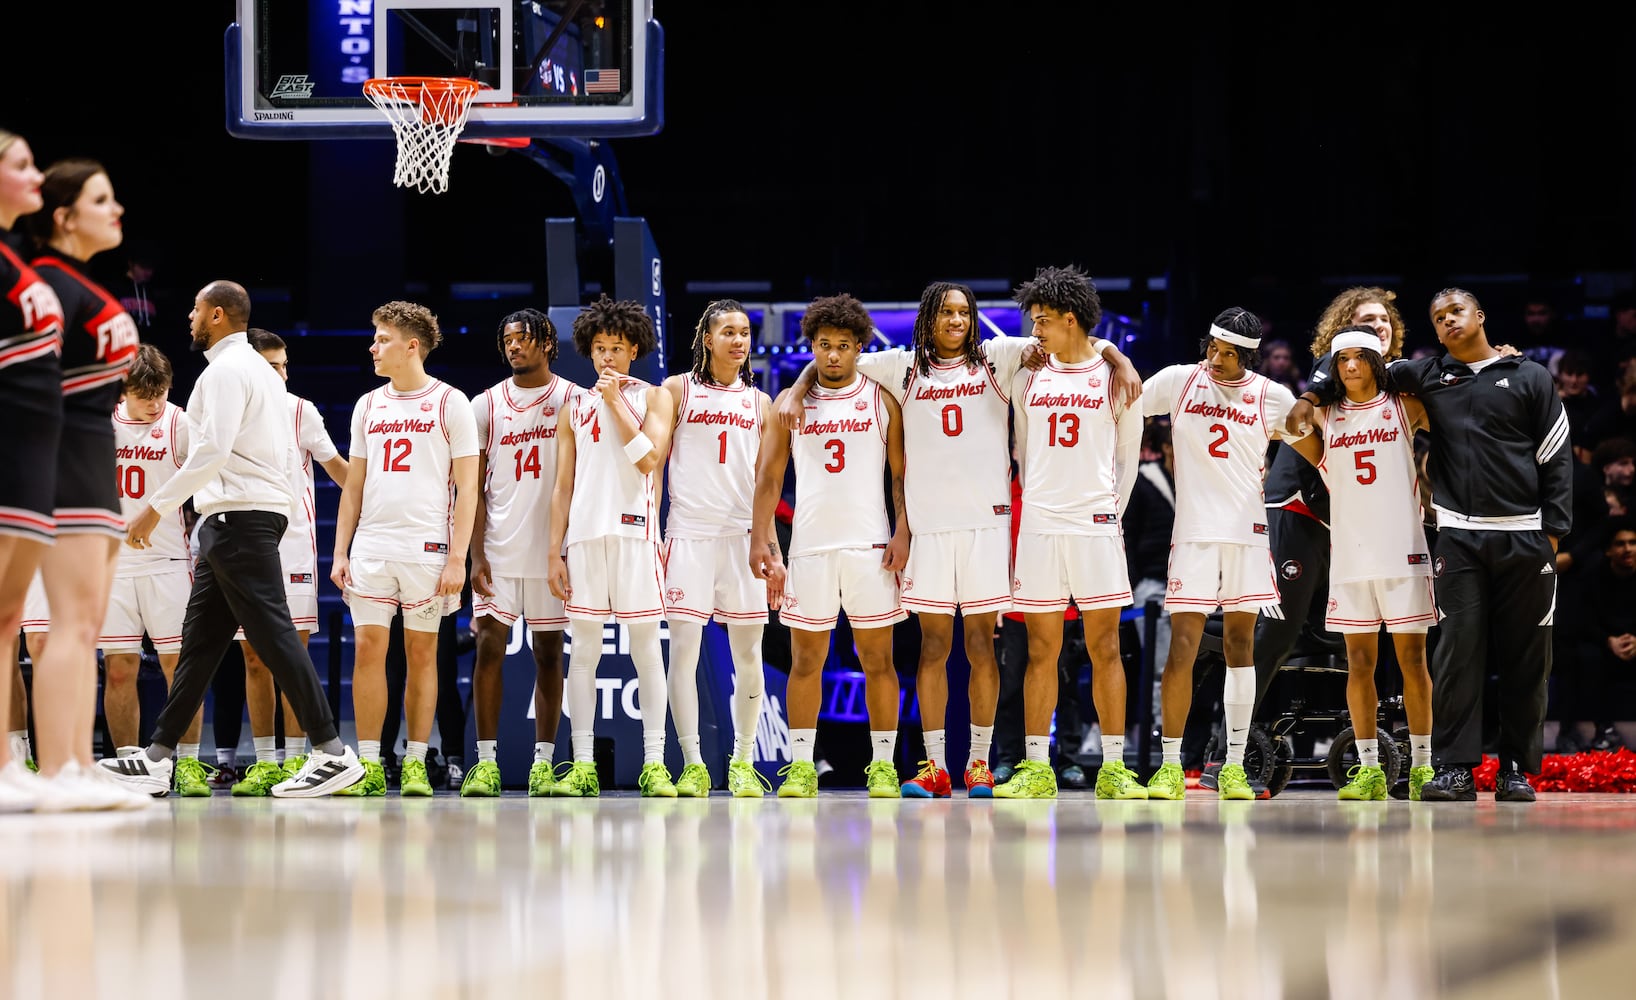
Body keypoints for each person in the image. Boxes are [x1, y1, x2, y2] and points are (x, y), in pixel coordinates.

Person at [775, 277, 1141, 798]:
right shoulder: (901, 366)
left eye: (964, 313)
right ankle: (934, 765)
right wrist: (796, 388)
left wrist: (1118, 358)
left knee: (981, 647)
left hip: (987, 527)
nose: (956, 321)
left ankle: (979, 763)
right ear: (928, 317)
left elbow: (1072, 337)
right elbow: (835, 358)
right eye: (946, 312)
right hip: (929, 529)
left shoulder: (998, 357)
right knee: (933, 647)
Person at [1290, 288, 1571, 802]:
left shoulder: (1529, 375)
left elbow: (1556, 451)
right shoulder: (1425, 376)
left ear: (1480, 315)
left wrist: (1553, 531)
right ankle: (1454, 769)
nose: (1448, 321)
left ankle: (1514, 769)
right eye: (1439, 318)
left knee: (1526, 660)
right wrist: (1310, 396)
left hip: (1524, 533)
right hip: (1457, 534)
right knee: (1456, 656)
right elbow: (1351, 367)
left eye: (1456, 312)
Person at [96, 280, 365, 797]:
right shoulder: (259, 372)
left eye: (196, 309)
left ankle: (333, 752)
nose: (189, 317)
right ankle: (157, 757)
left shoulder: (225, 371)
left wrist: (155, 508)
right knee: (199, 648)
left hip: (240, 518)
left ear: (217, 314)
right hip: (239, 519)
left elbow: (212, 451)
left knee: (276, 637)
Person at [1228, 287, 1407, 791]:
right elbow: (1313, 405)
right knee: (1280, 630)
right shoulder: (1335, 367)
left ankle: (1388, 746)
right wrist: (1307, 401)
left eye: (1383, 320)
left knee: (1360, 635)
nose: (1377, 327)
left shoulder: (1394, 382)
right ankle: (1226, 749)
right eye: (1365, 320)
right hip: (1298, 505)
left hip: (1345, 522)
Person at [22, 158, 156, 807]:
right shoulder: (46, 284)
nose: (116, 210)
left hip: (93, 462)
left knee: (87, 626)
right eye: (101, 200)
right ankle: (58, 770)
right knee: (67, 625)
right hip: (62, 464)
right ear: (64, 217)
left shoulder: (78, 283)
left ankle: (79, 761)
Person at [1140, 308, 1305, 801]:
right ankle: (1171, 766)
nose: (1216, 358)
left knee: (1239, 647)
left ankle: (1232, 765)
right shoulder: (1178, 380)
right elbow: (1123, 404)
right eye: (1213, 348)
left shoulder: (1272, 396)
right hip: (1193, 534)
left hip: (1246, 534)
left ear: (1248, 356)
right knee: (1183, 649)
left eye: (1229, 353)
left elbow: (1316, 446)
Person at [750, 293, 909, 799]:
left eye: (843, 345)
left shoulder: (882, 400)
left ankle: (882, 766)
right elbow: (768, 478)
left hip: (870, 546)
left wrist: (903, 530)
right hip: (811, 547)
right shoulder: (789, 405)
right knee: (805, 661)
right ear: (812, 346)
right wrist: (761, 539)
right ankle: (801, 766)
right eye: (824, 345)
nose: (834, 354)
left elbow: (901, 475)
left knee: (877, 660)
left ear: (860, 346)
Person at [1000, 266, 1144, 800]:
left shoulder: (1116, 377)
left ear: (1069, 319)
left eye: (1042, 321)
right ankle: (1037, 768)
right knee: (1041, 651)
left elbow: (1127, 458)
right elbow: (1022, 449)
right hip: (1040, 524)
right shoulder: (1027, 376)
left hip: (1094, 524)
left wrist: (1108, 513)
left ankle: (1114, 769)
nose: (1035, 331)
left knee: (1106, 647)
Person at [329, 301, 477, 797]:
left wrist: (457, 558)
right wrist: (340, 551)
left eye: (382, 339)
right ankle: (370, 763)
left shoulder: (451, 402)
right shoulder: (367, 405)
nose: (373, 347)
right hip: (373, 545)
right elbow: (353, 486)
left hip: (428, 548)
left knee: (422, 654)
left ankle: (415, 760)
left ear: (411, 346)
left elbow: (468, 489)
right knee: (368, 652)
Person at [1285, 327, 1436, 800]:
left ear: (1376, 361)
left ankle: (1423, 767)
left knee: (1413, 661)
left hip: (1403, 552)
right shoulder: (1323, 416)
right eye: (1342, 358)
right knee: (1359, 664)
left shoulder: (1406, 406)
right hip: (1351, 556)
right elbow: (1290, 430)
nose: (1350, 366)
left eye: (1359, 357)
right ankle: (1369, 768)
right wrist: (1305, 400)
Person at [547, 295, 678, 797]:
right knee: (583, 653)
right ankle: (582, 765)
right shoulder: (572, 406)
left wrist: (614, 401)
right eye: (600, 348)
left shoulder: (654, 397)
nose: (607, 357)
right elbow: (563, 486)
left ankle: (654, 764)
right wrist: (554, 551)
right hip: (584, 537)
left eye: (617, 348)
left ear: (634, 350)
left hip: (635, 535)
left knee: (646, 650)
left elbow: (648, 459)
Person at [660, 300, 776, 798]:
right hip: (689, 535)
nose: (738, 340)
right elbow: (653, 464)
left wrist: (771, 547)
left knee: (748, 655)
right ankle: (693, 764)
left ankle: (743, 762)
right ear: (707, 339)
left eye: (745, 332)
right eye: (728, 332)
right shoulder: (677, 390)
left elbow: (767, 485)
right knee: (683, 653)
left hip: (742, 539)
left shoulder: (761, 403)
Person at [227, 328, 350, 795]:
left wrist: (378, 498)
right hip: (243, 545)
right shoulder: (228, 410)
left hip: (293, 546)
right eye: (271, 366)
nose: (281, 374)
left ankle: (299, 759)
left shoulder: (301, 410)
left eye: (284, 365)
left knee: (292, 655)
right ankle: (265, 763)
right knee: (253, 657)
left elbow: (338, 469)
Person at [461, 308, 577, 797]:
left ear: (547, 343)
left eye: (524, 338)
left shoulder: (573, 398)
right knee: (489, 648)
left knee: (549, 654)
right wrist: (476, 555)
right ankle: (486, 763)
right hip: (500, 549)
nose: (514, 346)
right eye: (508, 340)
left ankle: (543, 764)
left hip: (553, 551)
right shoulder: (485, 404)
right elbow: (472, 488)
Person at [99, 344, 212, 793]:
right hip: (113, 566)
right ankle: (130, 763)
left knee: (179, 668)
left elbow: (209, 475)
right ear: (123, 390)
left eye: (160, 393)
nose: (154, 403)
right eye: (144, 396)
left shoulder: (180, 423)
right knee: (119, 668)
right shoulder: (103, 425)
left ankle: (188, 764)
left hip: (167, 563)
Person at [0, 128, 63, 810]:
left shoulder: (17, 255)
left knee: (8, 619)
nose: (35, 174)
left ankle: (9, 761)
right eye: (21, 164)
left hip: (29, 457)